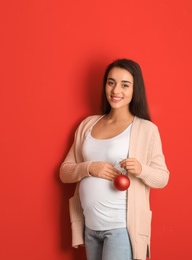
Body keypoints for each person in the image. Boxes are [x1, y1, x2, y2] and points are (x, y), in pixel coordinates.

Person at [60, 58, 170, 260]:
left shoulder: (146, 129)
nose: (115, 90)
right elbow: (65, 172)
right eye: (111, 82)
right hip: (90, 226)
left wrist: (141, 169)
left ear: (135, 89)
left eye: (125, 85)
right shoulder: (88, 124)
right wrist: (90, 168)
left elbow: (163, 177)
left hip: (121, 229)